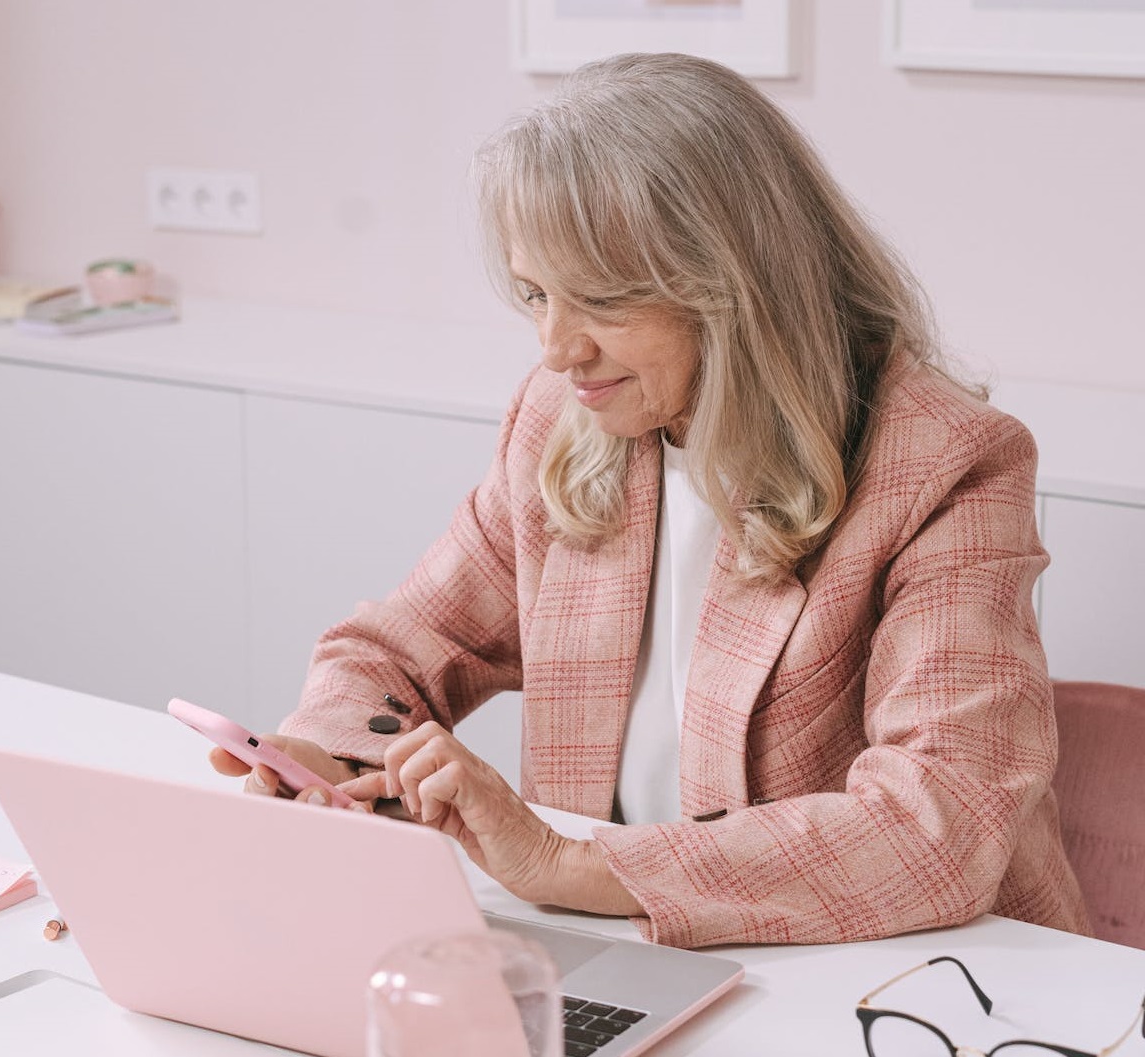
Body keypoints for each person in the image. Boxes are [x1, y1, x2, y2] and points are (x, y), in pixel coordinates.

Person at [212, 52, 1089, 949]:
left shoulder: (944, 461)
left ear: (738, 289)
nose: (556, 349)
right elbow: (397, 647)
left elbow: (937, 821)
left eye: (597, 299)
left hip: (903, 971)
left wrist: (570, 866)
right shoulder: (559, 418)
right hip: (630, 947)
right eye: (534, 294)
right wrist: (328, 756)